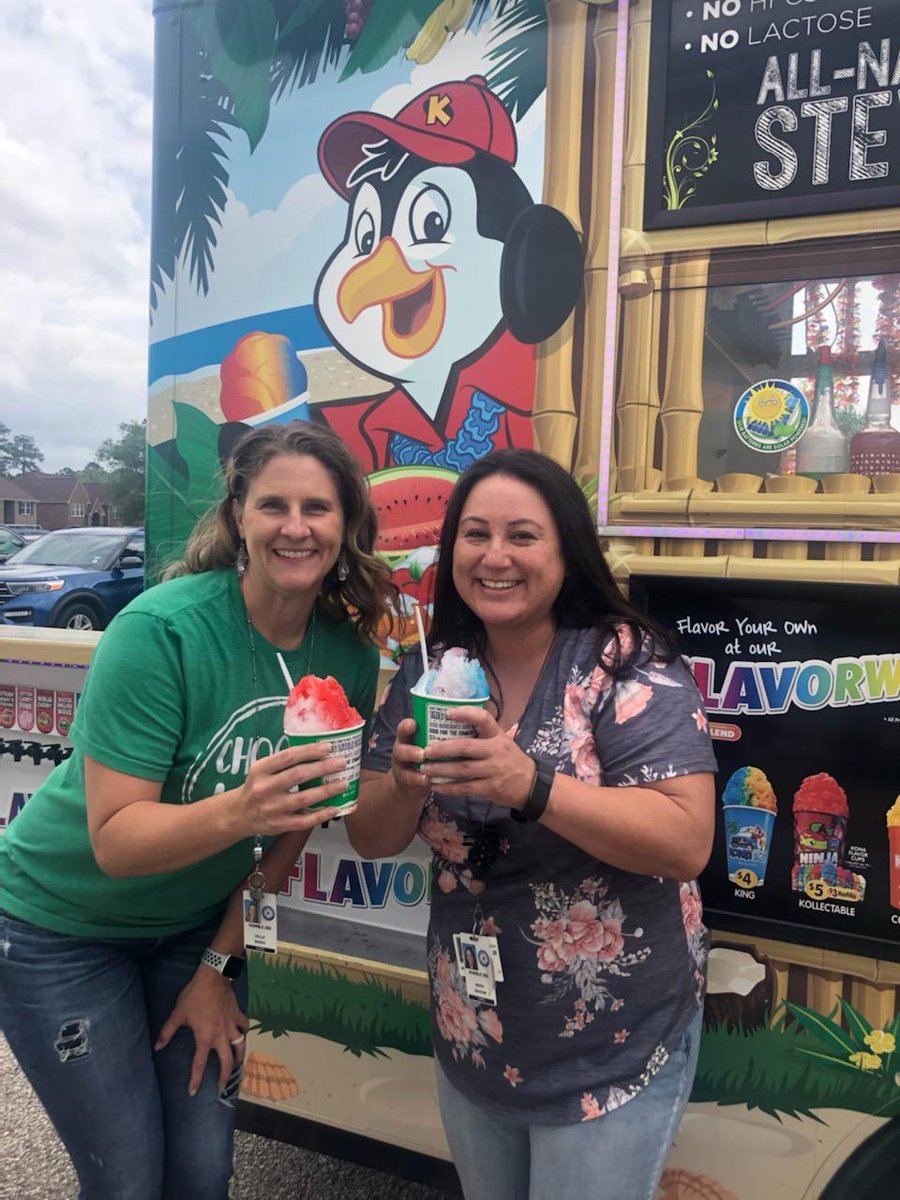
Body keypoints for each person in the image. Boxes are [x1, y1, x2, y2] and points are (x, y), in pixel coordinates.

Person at [0, 421, 395, 1200]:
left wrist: (221, 964)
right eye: (273, 504)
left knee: (201, 1172)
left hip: (191, 930)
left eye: (317, 508)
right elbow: (116, 841)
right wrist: (246, 805)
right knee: (127, 1181)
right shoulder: (161, 632)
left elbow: (296, 823)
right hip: (59, 930)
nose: (295, 526)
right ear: (239, 514)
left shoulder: (346, 652)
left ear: (346, 525)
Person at [348, 449, 717, 1200]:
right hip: (476, 1033)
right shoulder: (434, 676)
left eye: (523, 535)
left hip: (610, 1048)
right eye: (475, 534)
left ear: (566, 551)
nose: (495, 557)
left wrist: (533, 784)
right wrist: (405, 787)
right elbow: (371, 835)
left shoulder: (625, 667)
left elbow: (687, 841)